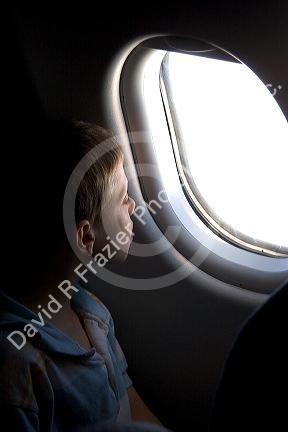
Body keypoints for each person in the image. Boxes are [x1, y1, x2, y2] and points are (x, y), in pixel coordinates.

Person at [0, 121, 165, 431]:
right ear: (85, 237)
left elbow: (131, 406)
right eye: (122, 198)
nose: (133, 206)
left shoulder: (91, 312)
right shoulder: (18, 368)